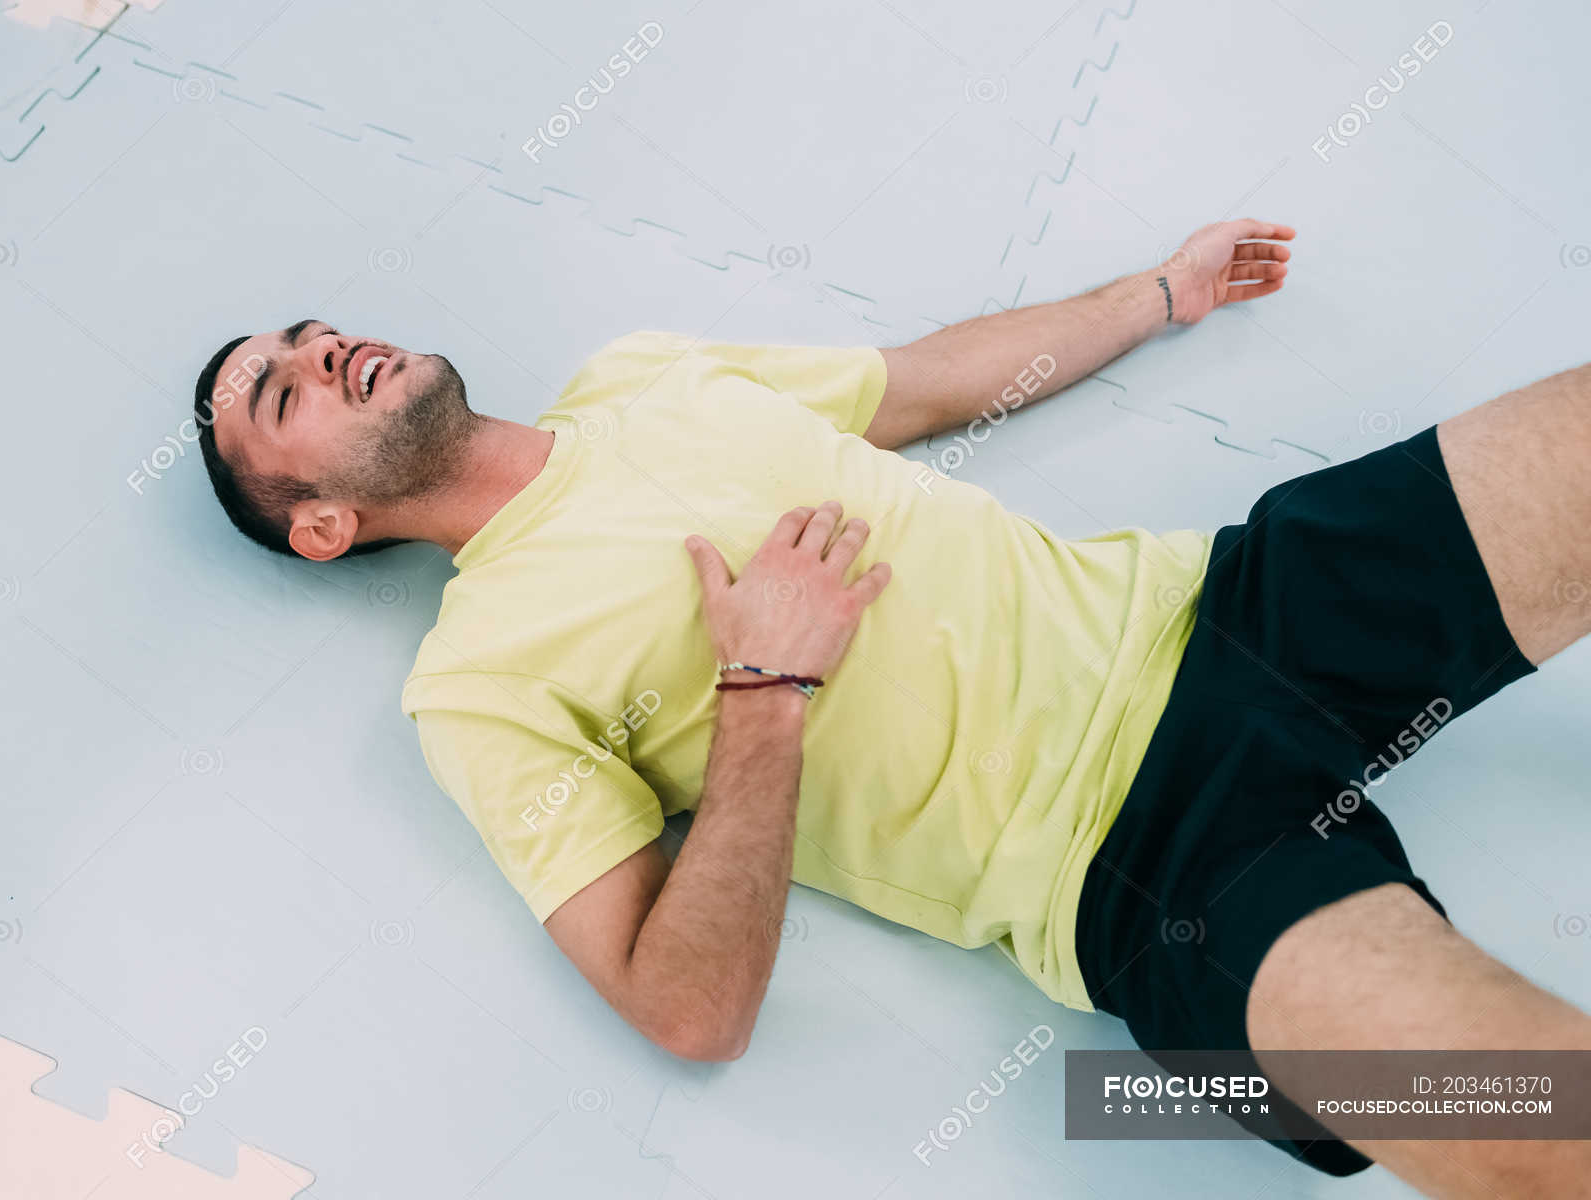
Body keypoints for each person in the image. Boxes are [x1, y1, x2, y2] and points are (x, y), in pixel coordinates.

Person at [193, 218, 1591, 1193]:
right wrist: (765, 687)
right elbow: (684, 1011)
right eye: (280, 388)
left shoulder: (642, 377)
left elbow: (920, 386)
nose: (324, 347)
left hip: (1225, 606)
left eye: (312, 331)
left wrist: (1158, 292)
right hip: (1147, 874)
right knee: (1547, 1117)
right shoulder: (476, 685)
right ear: (320, 523)